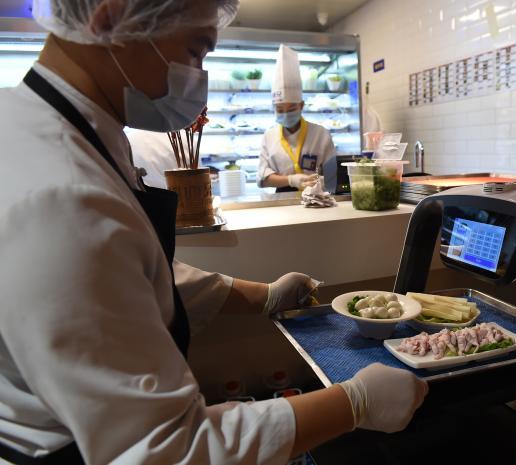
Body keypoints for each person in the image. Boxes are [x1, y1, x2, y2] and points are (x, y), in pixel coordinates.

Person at [0, 1, 428, 464]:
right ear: (110, 18)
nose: (198, 77)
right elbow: (166, 451)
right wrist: (353, 404)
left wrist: (263, 295)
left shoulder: (58, 128)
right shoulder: (62, 195)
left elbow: (127, 276)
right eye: (197, 50)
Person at [257, 45, 336, 192]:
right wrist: (291, 180)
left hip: (318, 197)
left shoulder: (321, 135)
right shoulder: (269, 137)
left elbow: (333, 176)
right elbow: (262, 179)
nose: (286, 114)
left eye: (291, 109)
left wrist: (319, 181)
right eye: (280, 109)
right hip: (282, 201)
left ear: (301, 105)